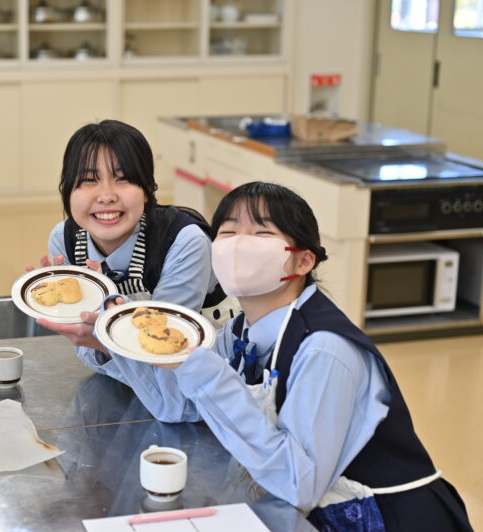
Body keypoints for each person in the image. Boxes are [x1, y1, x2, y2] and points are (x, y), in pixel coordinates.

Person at [93, 182, 472, 531]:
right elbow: (176, 404)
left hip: (390, 519)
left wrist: (206, 372)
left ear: (303, 261)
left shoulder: (324, 348)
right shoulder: (241, 330)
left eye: (261, 234)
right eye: (228, 232)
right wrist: (118, 338)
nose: (238, 245)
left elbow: (296, 484)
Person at [31, 119, 234, 373]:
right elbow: (88, 349)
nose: (107, 196)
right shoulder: (65, 240)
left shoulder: (184, 241)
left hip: (208, 375)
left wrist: (101, 328)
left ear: (147, 189)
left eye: (123, 178)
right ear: (67, 190)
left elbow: (165, 353)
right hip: (128, 378)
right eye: (89, 179)